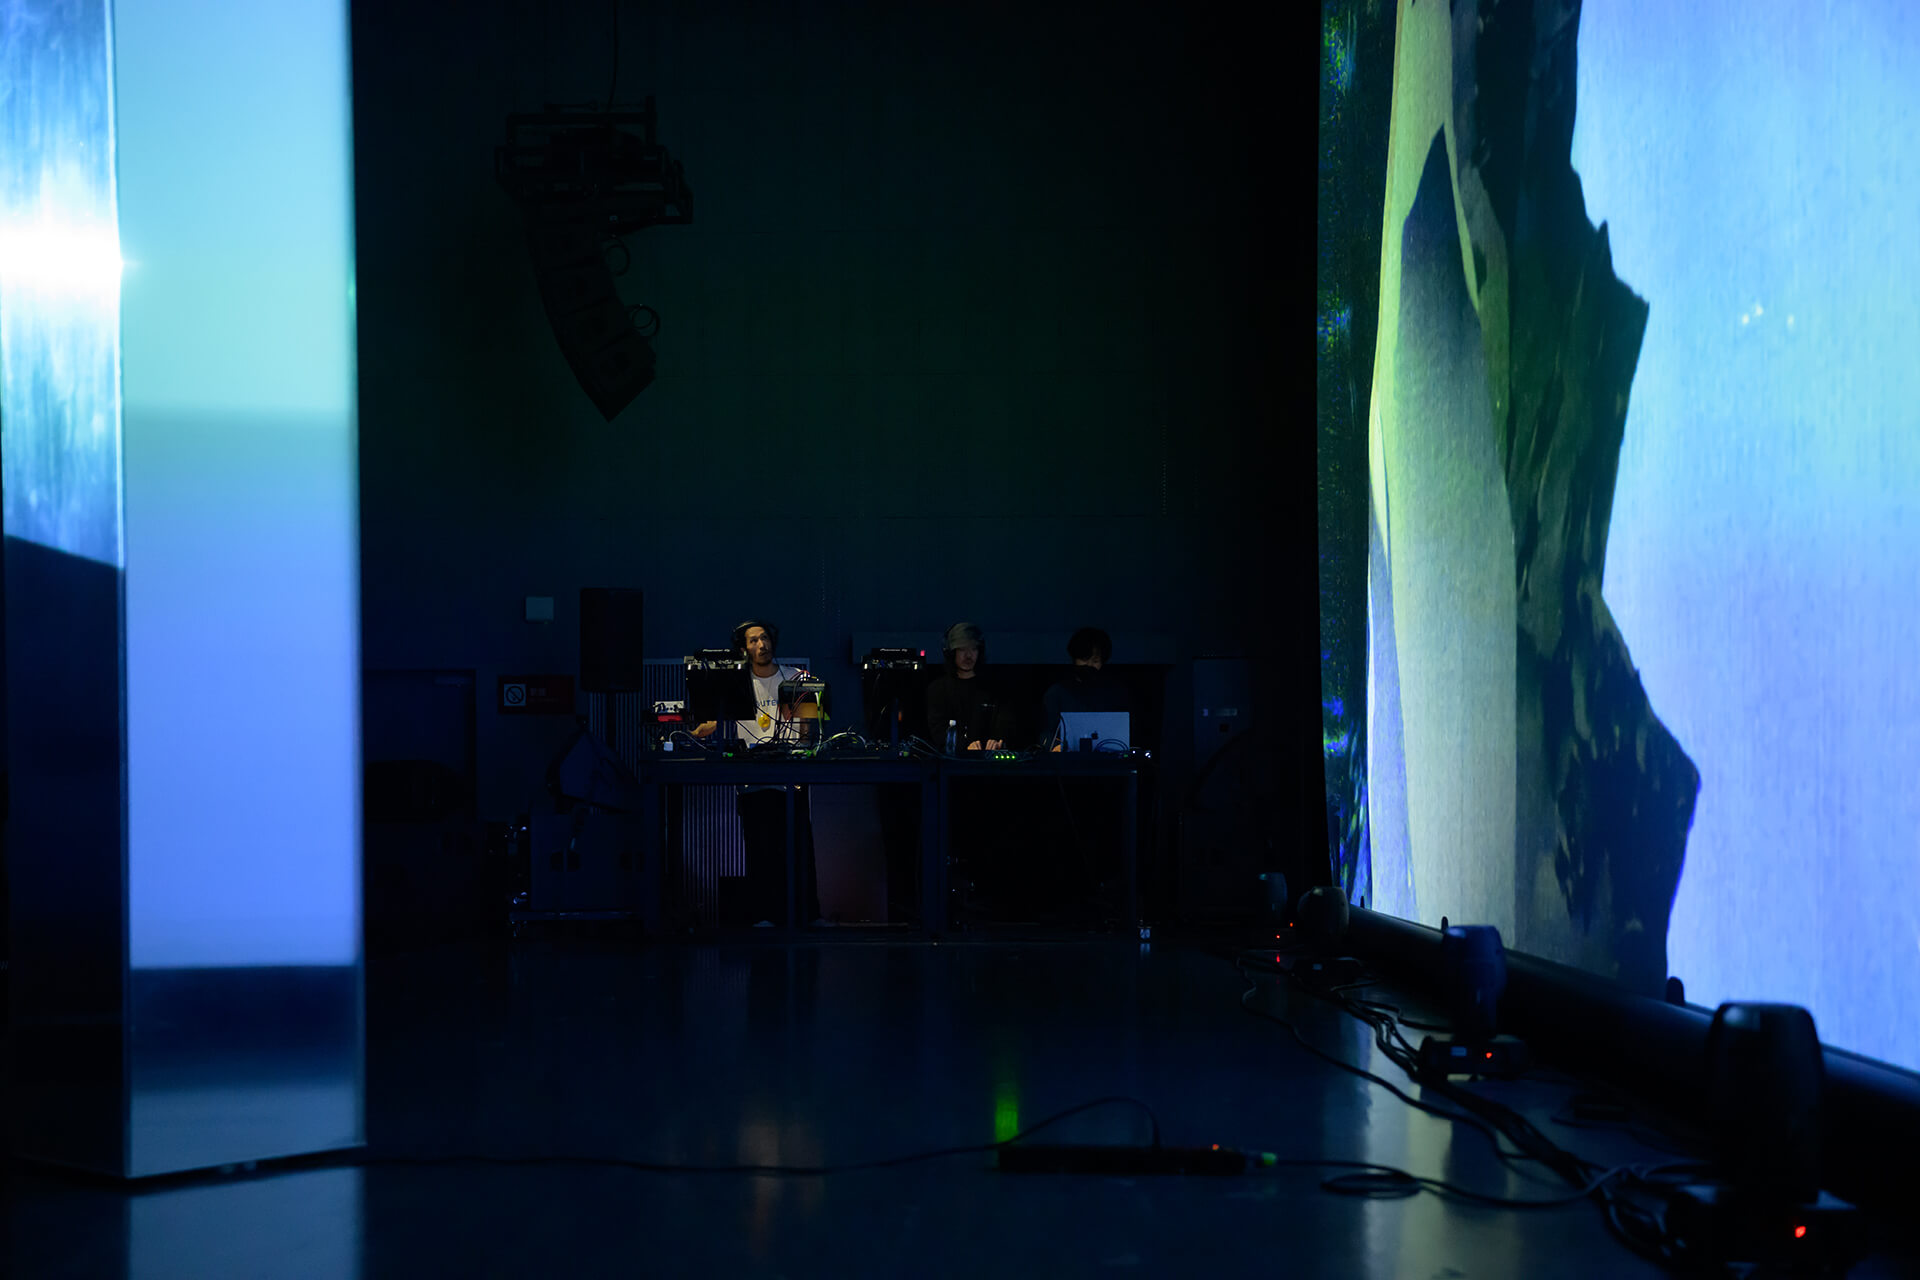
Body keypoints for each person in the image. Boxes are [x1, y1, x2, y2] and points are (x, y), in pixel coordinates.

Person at [692, 620, 825, 926]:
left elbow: (809, 730)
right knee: (760, 849)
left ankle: (807, 916)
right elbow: (714, 719)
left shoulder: (796, 677)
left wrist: (805, 729)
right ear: (743, 648)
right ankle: (764, 916)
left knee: (798, 848)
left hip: (790, 777)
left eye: (764, 638)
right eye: (753, 640)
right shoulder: (736, 682)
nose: (761, 645)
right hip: (753, 779)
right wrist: (698, 728)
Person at [924, 622, 1018, 752]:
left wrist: (997, 740)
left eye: (973, 649)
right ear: (951, 652)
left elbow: (1005, 722)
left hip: (989, 759)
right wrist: (964, 746)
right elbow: (938, 731)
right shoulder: (938, 689)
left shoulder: (995, 688)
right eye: (962, 649)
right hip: (952, 760)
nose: (968, 655)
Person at [1041, 626, 1132, 747]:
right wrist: (1056, 748)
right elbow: (1047, 732)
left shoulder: (1116, 693)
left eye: (1095, 661)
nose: (1089, 665)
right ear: (1074, 658)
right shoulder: (1057, 693)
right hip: (1067, 757)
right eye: (1084, 659)